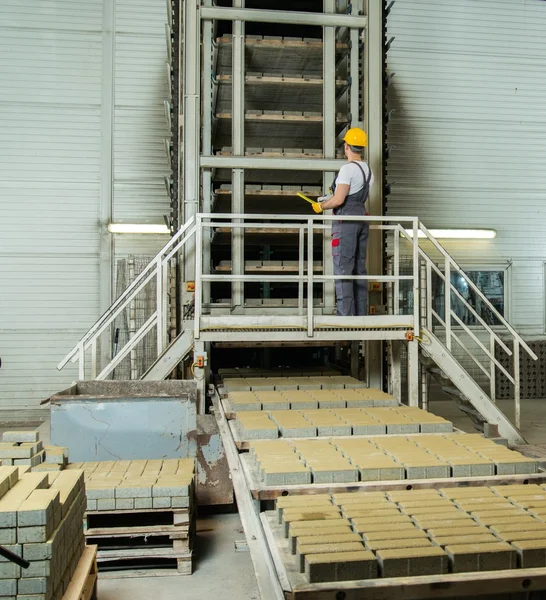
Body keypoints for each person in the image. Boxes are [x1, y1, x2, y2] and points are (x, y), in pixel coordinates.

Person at [315, 128, 373, 316]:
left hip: (346, 220)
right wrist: (329, 198)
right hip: (361, 217)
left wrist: (322, 206)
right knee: (358, 267)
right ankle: (360, 314)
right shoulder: (368, 170)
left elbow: (339, 199)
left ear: (346, 146)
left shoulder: (347, 169)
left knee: (343, 266)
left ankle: (345, 316)